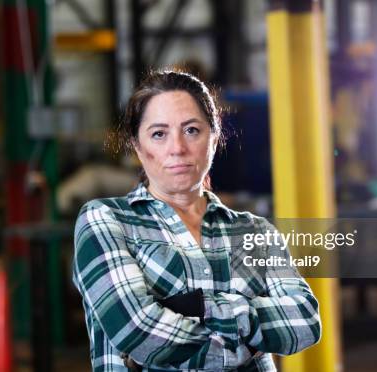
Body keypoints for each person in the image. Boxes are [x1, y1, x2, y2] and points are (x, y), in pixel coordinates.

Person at [73, 69, 321, 371]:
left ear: (214, 139)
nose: (177, 148)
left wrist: (200, 307)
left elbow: (305, 321)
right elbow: (137, 329)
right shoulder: (105, 221)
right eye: (159, 134)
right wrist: (247, 343)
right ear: (138, 147)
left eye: (191, 130)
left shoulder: (256, 230)